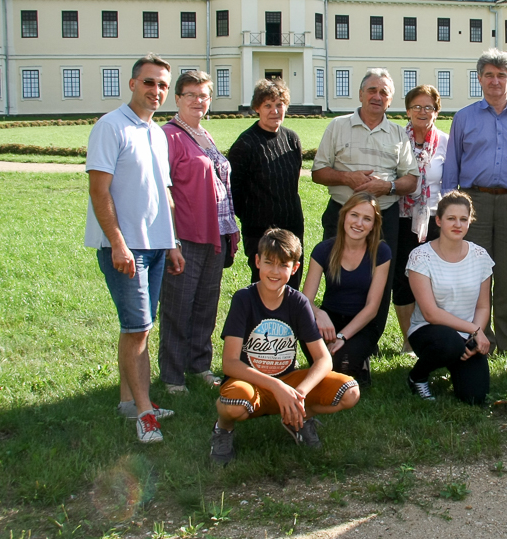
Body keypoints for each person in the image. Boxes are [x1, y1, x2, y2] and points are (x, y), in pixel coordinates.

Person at [85, 53, 185, 444]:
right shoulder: (110, 127)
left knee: (137, 328)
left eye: (162, 85)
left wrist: (172, 242)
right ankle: (145, 413)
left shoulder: (157, 133)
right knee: (138, 327)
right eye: (149, 82)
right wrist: (118, 244)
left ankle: (129, 402)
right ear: (132, 84)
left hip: (156, 247)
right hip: (126, 250)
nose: (156, 90)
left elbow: (162, 195)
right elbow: (99, 190)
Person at [211, 228, 360, 462]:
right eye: (269, 262)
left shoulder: (297, 302)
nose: (275, 271)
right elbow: (229, 363)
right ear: (257, 261)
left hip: (288, 382)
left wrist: (299, 393)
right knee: (234, 405)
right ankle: (223, 428)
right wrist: (277, 388)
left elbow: (324, 359)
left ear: (294, 268)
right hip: (251, 383)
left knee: (349, 393)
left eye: (283, 265)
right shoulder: (244, 299)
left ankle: (296, 418)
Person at [442, 49, 507, 360]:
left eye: (501, 75)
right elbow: (451, 166)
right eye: (489, 75)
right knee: (474, 273)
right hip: (475, 203)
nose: (495, 81)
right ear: (480, 79)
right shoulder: (465, 117)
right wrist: (449, 210)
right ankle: (474, 336)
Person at [312, 69, 417, 348]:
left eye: (384, 92)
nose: (377, 96)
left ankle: (367, 344)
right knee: (337, 273)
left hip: (384, 217)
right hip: (341, 213)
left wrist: (389, 186)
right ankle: (331, 335)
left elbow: (411, 179)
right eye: (372, 90)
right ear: (360, 94)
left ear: (390, 100)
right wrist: (347, 178)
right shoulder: (338, 126)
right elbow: (318, 172)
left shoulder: (398, 133)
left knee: (379, 282)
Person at [159, 70, 240, 394]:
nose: (197, 100)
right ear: (177, 99)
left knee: (206, 303)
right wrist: (172, 240)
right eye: (190, 94)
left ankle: (199, 365)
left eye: (203, 95)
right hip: (187, 235)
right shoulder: (169, 135)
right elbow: (163, 189)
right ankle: (172, 375)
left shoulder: (203, 134)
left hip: (215, 234)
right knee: (179, 305)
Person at [406, 191, 494, 404]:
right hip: (428, 331)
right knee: (450, 344)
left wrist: (475, 337)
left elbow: (483, 306)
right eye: (451, 218)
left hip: (466, 335)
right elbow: (431, 313)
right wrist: (473, 330)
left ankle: (458, 365)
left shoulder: (481, 256)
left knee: (475, 397)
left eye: (463, 219)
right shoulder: (420, 256)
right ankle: (417, 376)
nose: (458, 224)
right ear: (438, 220)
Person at [302, 192, 391, 386]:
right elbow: (305, 299)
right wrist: (319, 313)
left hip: (363, 324)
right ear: (344, 215)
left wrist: (343, 336)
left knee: (341, 367)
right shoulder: (323, 250)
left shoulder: (381, 252)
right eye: (354, 215)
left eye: (367, 219)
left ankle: (358, 362)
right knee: (307, 327)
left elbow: (372, 308)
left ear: (373, 226)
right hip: (330, 320)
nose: (359, 223)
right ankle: (327, 363)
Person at [227, 78, 304, 289]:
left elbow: (292, 183)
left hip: (292, 227)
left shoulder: (292, 139)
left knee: (291, 284)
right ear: (257, 108)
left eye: (279, 105)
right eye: (268, 105)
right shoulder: (245, 144)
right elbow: (234, 192)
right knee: (265, 287)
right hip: (260, 232)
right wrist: (255, 219)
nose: (275, 111)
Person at [393, 84, 449, 352]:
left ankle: (431, 334)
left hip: (435, 219)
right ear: (407, 111)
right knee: (402, 278)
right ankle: (408, 339)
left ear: (437, 112)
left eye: (429, 107)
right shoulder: (395, 139)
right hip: (400, 216)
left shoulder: (447, 143)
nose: (422, 111)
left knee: (432, 279)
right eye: (417, 106)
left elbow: (451, 183)